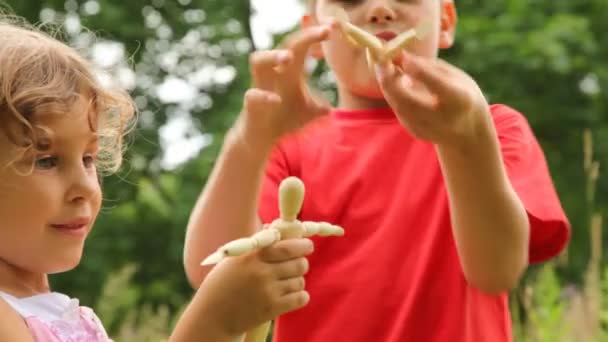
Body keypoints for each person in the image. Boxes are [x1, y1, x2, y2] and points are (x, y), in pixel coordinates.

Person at [183, 0, 571, 341]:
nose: (380, 8)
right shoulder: (289, 146)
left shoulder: (494, 130)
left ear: (446, 20)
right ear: (315, 33)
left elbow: (496, 271)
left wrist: (466, 142)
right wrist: (250, 140)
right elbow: (213, 271)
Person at [0, 16, 312, 342]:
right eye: (47, 160)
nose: (85, 188)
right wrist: (214, 321)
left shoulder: (60, 315)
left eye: (88, 158)